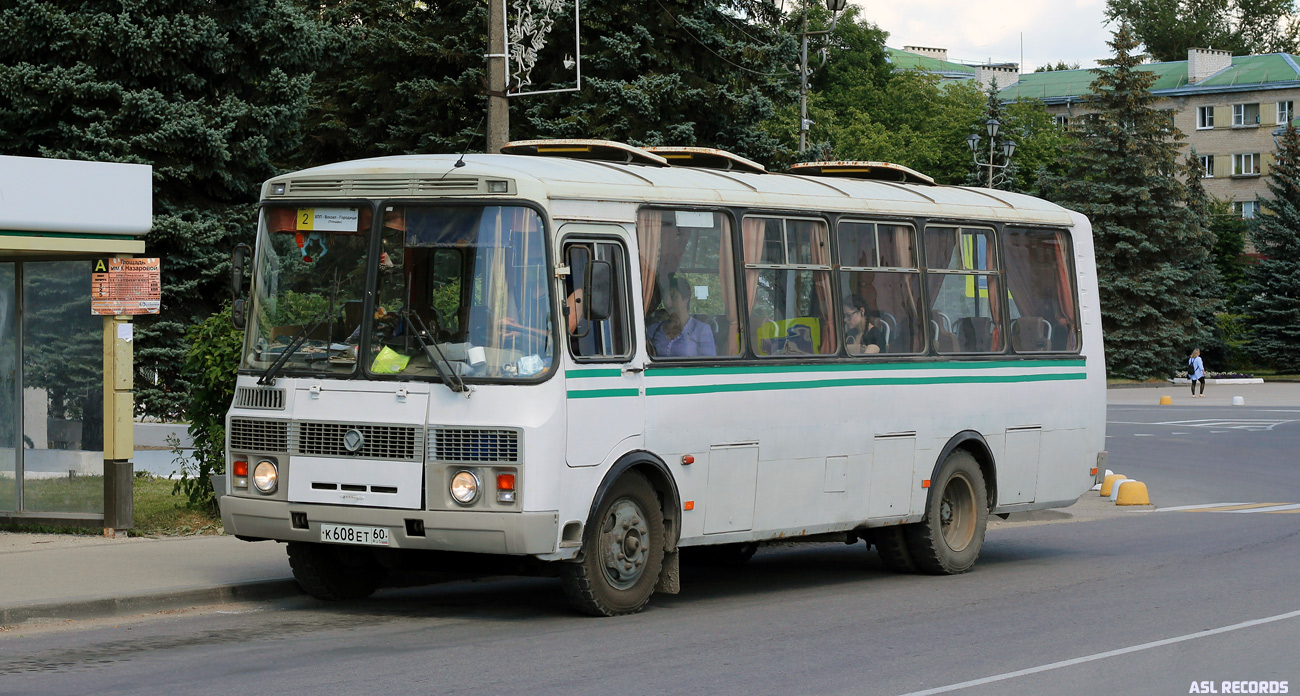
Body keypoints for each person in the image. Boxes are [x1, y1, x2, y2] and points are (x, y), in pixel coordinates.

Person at [647, 276, 716, 357]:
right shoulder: (653, 330)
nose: (668, 303)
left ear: (686, 298)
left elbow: (708, 364)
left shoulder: (701, 330)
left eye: (673, 296)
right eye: (665, 298)